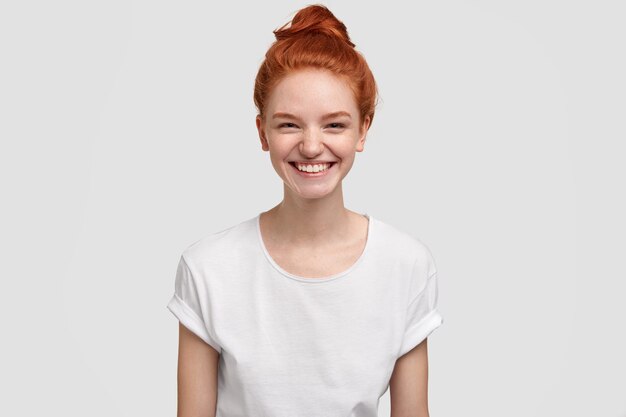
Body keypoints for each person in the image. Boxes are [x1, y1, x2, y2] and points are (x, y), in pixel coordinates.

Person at [166, 4, 443, 416]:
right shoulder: (208, 269)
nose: (312, 146)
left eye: (334, 125)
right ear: (263, 133)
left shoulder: (406, 265)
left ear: (363, 129)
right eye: (289, 124)